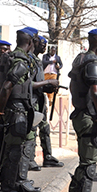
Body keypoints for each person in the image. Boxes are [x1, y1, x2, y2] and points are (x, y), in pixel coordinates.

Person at [60, 29, 97, 192]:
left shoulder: (80, 59)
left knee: (84, 164)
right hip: (90, 118)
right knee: (89, 165)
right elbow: (96, 92)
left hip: (82, 114)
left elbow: (73, 87)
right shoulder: (93, 62)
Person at [0, 27, 41, 192]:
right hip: (16, 110)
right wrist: (0, 111)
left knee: (12, 151)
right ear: (30, 43)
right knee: (13, 153)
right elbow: (6, 87)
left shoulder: (11, 57)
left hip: (16, 110)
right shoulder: (21, 60)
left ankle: (10, 188)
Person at [31, 35, 63, 168]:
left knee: (45, 128)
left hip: (39, 99)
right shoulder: (29, 60)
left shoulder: (37, 60)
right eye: (42, 44)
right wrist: (48, 82)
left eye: (46, 45)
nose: (44, 47)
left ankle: (48, 156)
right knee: (31, 131)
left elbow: (39, 83)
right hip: (30, 100)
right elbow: (30, 84)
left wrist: (50, 87)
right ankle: (30, 159)